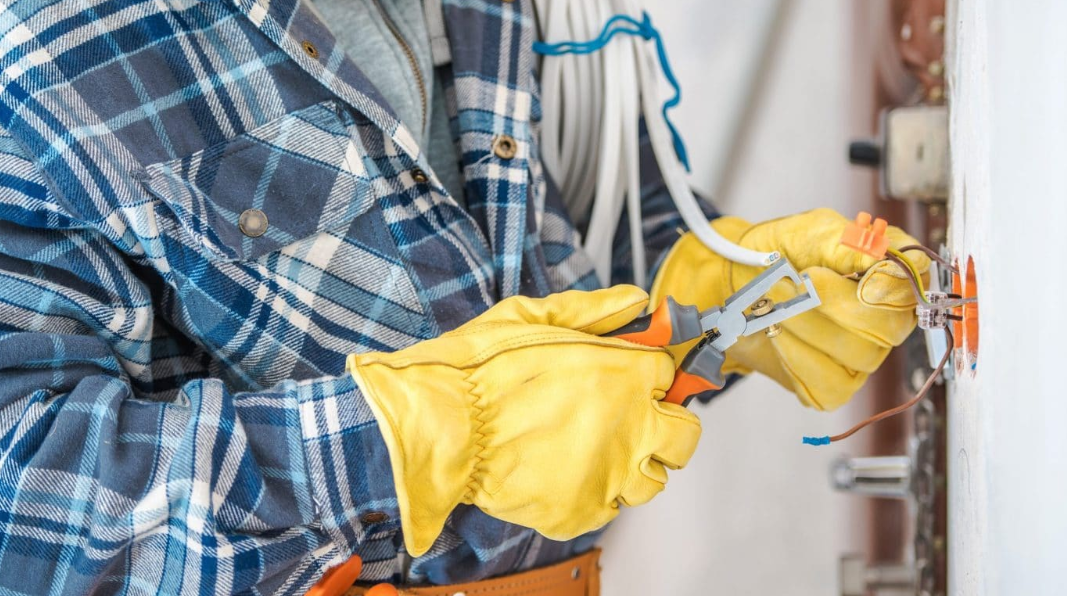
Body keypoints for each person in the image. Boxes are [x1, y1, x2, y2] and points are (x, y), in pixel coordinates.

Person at [0, 0, 928, 594]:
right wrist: (416, 442)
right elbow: (21, 510)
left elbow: (592, 243)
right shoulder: (40, 49)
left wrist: (701, 312)